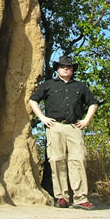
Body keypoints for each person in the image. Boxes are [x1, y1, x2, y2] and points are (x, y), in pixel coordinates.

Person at [29, 55, 98, 210]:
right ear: (57, 69)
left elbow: (93, 103)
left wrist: (86, 120)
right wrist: (42, 117)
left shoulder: (80, 86)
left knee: (77, 161)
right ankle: (61, 197)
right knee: (56, 161)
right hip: (55, 127)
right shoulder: (48, 85)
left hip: (74, 128)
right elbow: (33, 100)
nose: (65, 68)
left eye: (68, 67)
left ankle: (80, 198)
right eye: (62, 66)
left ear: (72, 69)